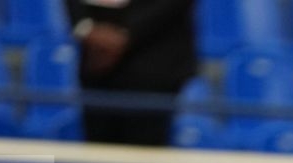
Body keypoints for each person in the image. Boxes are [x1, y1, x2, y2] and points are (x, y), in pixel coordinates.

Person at [67, 0, 197, 147]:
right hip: (95, 68)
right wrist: (86, 29)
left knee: (145, 156)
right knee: (99, 154)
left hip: (155, 72)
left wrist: (123, 36)